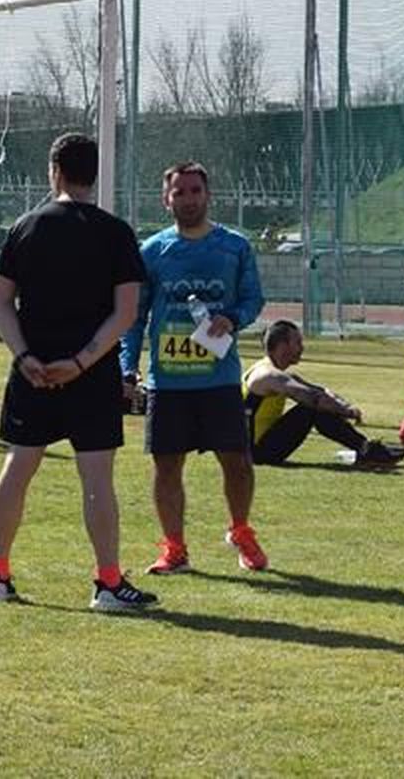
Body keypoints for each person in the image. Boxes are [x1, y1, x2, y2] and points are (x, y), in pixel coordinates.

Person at [0, 133, 157, 611]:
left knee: (18, 467)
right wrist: (81, 363)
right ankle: (107, 583)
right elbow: (125, 313)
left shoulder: (25, 226)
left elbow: (0, 301)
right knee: (97, 478)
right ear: (95, 174)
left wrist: (25, 358)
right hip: (91, 372)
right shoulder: (115, 232)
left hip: (33, 370)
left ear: (53, 169)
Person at [122, 161, 267, 574]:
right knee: (167, 465)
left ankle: (241, 531)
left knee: (237, 461)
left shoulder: (235, 247)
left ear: (209, 195)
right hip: (168, 381)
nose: (188, 199)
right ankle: (175, 549)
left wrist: (232, 319)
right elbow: (134, 317)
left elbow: (253, 299)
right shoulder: (152, 252)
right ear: (166, 199)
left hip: (219, 379)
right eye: (179, 192)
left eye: (195, 191)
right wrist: (127, 368)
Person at [244, 319, 404, 467]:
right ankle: (366, 450)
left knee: (318, 405)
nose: (302, 348)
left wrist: (345, 406)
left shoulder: (276, 373)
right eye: (298, 342)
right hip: (254, 453)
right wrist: (345, 411)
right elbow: (314, 399)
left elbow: (320, 391)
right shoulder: (268, 376)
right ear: (283, 346)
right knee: (311, 408)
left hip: (255, 448)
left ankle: (365, 448)